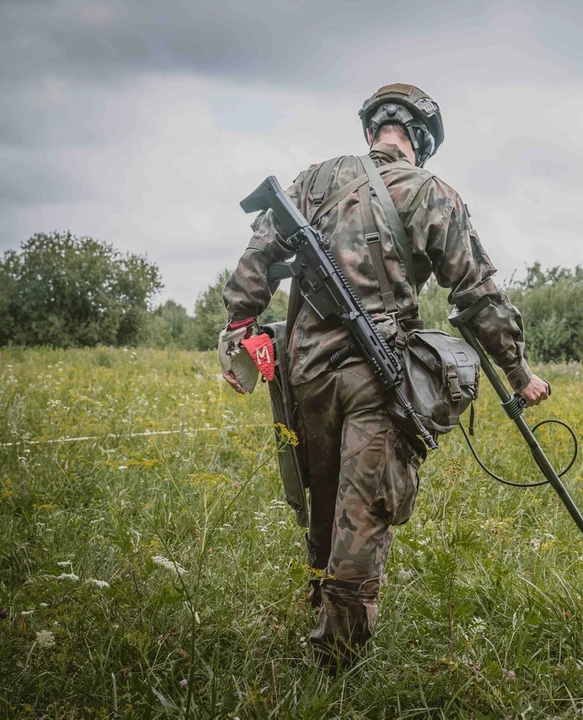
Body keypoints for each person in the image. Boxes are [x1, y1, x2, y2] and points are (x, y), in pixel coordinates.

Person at [217, 83, 549, 666]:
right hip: (379, 375)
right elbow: (476, 293)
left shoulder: (313, 180)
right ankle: (336, 662)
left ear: (373, 131)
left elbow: (257, 258)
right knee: (363, 510)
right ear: (421, 140)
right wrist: (519, 372)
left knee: (320, 498)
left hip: (305, 373)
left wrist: (239, 327)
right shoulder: (432, 193)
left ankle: (319, 607)